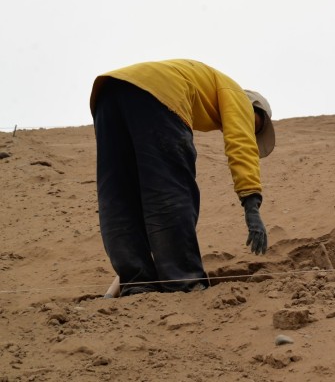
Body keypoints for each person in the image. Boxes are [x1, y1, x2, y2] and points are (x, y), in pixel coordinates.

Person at [89, 59, 276, 296]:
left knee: (118, 194)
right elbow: (242, 146)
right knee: (169, 190)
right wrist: (252, 205)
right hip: (159, 92)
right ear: (254, 109)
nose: (250, 129)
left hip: (107, 94)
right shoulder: (237, 95)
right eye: (256, 125)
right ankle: (183, 281)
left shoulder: (211, 90)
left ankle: (138, 283)